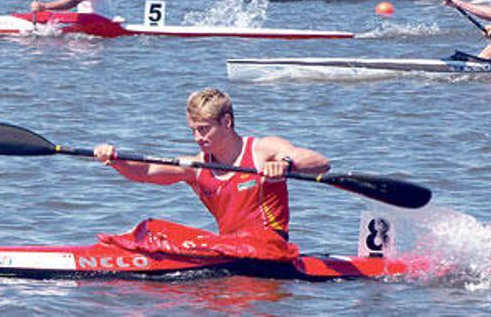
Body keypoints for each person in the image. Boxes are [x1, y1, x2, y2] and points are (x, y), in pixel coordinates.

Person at [93, 88, 331, 241]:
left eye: (204, 129)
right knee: (152, 231)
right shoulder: (197, 166)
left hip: (271, 248)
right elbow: (146, 171)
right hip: (229, 249)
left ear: (226, 122)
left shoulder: (263, 150)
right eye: (193, 130)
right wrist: (114, 159)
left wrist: (285, 164)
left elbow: (321, 163)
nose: (197, 138)